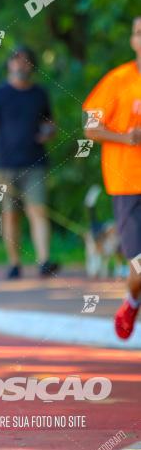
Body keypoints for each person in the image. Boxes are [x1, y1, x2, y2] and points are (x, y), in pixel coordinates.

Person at [83, 17, 141, 339]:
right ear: (133, 41)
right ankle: (132, 299)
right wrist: (126, 138)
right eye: (138, 33)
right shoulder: (117, 80)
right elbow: (90, 126)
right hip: (128, 184)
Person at [0, 46, 59, 279]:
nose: (21, 64)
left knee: (38, 211)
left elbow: (51, 124)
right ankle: (14, 263)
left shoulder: (40, 94)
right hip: (5, 165)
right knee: (10, 215)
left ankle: (44, 261)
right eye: (16, 60)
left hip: (36, 163)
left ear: (32, 66)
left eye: (26, 60)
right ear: (9, 64)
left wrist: (49, 131)